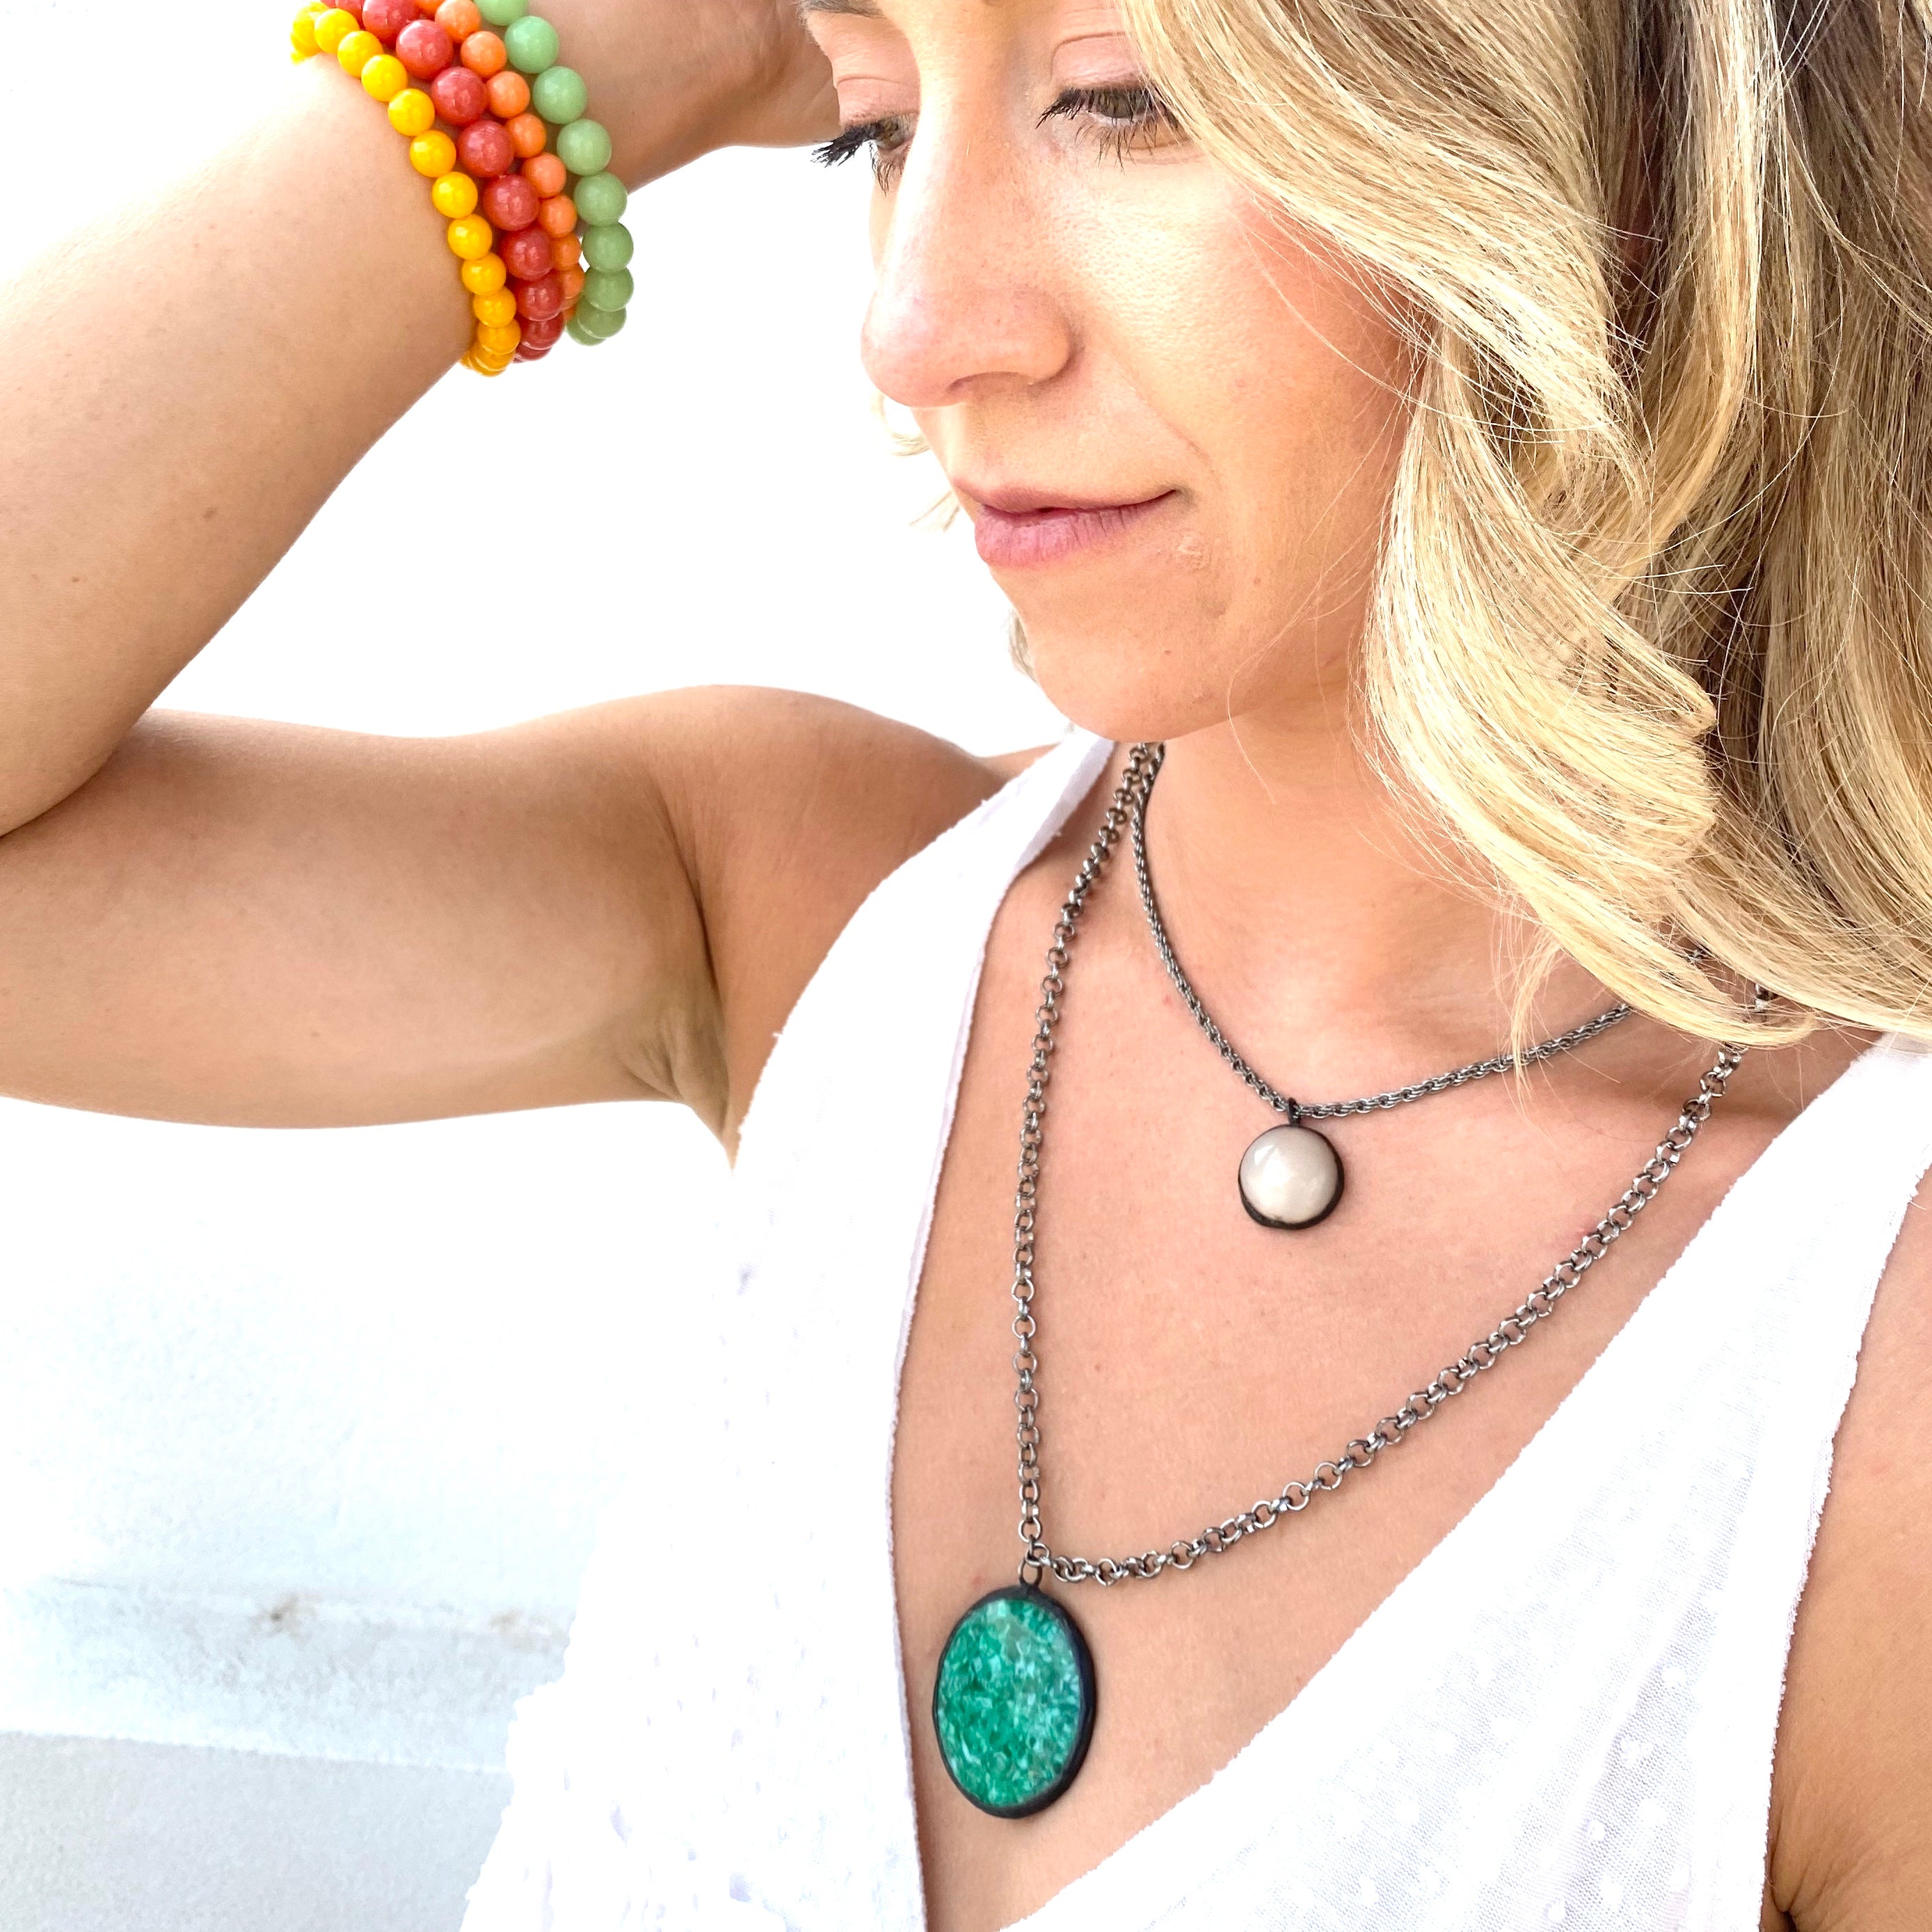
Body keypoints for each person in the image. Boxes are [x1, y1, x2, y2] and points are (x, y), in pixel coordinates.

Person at [4, 0, 1931, 1923]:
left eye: (1124, 99)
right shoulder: (823, 912)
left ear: (1621, 132)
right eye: (875, 127)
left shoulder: (1871, 1399)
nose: (912, 330)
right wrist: (575, 61)